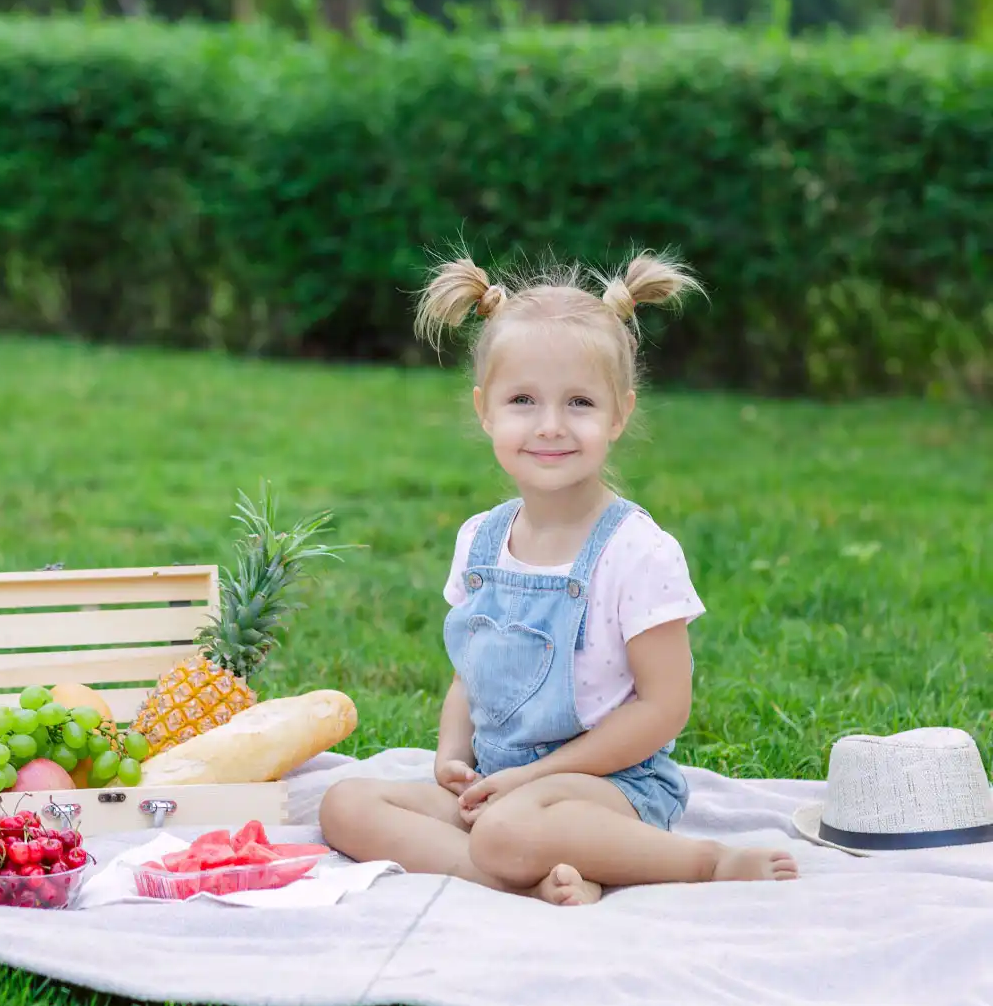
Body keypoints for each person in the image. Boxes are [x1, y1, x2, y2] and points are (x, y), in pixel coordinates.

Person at [319, 247, 799, 906]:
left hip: (608, 789)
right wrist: (451, 756)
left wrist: (536, 779)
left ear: (619, 414)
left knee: (509, 829)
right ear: (486, 410)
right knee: (344, 804)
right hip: (496, 788)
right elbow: (470, 672)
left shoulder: (636, 552)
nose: (550, 426)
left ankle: (703, 863)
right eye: (523, 401)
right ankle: (522, 875)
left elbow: (664, 709)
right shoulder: (480, 540)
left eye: (579, 402)